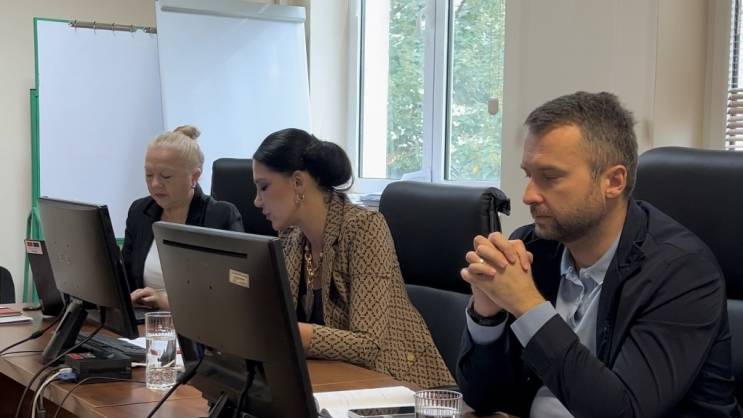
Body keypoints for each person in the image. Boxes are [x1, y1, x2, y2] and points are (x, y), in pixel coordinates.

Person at [457, 92, 741, 417]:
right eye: (528, 175)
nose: (528, 195)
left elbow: (623, 412)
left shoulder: (681, 272)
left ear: (614, 181)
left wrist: (527, 305)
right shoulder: (535, 248)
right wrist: (487, 315)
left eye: (550, 177)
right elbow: (483, 399)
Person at [252, 128, 453, 388]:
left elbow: (368, 344)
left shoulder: (364, 228)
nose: (257, 201)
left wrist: (294, 333)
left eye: (263, 187)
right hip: (335, 383)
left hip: (399, 384)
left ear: (298, 182)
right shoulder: (291, 238)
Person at [125, 126, 243, 310]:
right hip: (146, 321)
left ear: (194, 177)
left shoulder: (220, 216)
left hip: (202, 323)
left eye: (166, 176)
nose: (155, 184)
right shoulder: (140, 211)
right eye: (148, 175)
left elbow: (233, 292)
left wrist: (167, 304)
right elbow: (124, 278)